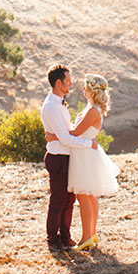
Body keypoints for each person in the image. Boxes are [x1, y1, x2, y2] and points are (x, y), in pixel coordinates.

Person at [46, 73, 119, 252]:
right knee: (89, 195)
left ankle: (86, 237)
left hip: (84, 155)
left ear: (92, 90)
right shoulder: (92, 108)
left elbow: (75, 133)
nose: (82, 89)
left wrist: (53, 135)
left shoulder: (93, 110)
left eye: (86, 86)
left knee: (83, 195)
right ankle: (91, 234)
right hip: (84, 153)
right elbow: (75, 130)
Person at [41, 64, 98, 253]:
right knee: (57, 201)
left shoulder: (60, 104)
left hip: (67, 156)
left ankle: (65, 237)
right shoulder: (51, 107)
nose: (71, 83)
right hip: (58, 157)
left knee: (69, 200)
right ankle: (52, 241)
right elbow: (66, 137)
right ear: (59, 83)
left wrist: (56, 135)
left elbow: (66, 130)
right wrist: (88, 143)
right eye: (68, 80)